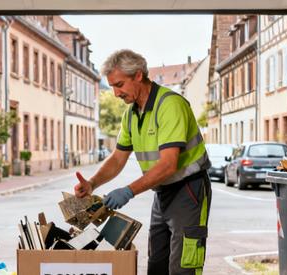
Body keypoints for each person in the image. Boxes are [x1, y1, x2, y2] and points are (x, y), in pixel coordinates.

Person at [74, 49, 210, 275]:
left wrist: (128, 191)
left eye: (119, 85)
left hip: (189, 190)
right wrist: (92, 183)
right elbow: (118, 158)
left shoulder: (169, 105)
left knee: (183, 267)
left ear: (138, 75)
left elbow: (168, 165)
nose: (116, 93)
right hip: (163, 192)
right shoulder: (132, 114)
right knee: (156, 264)